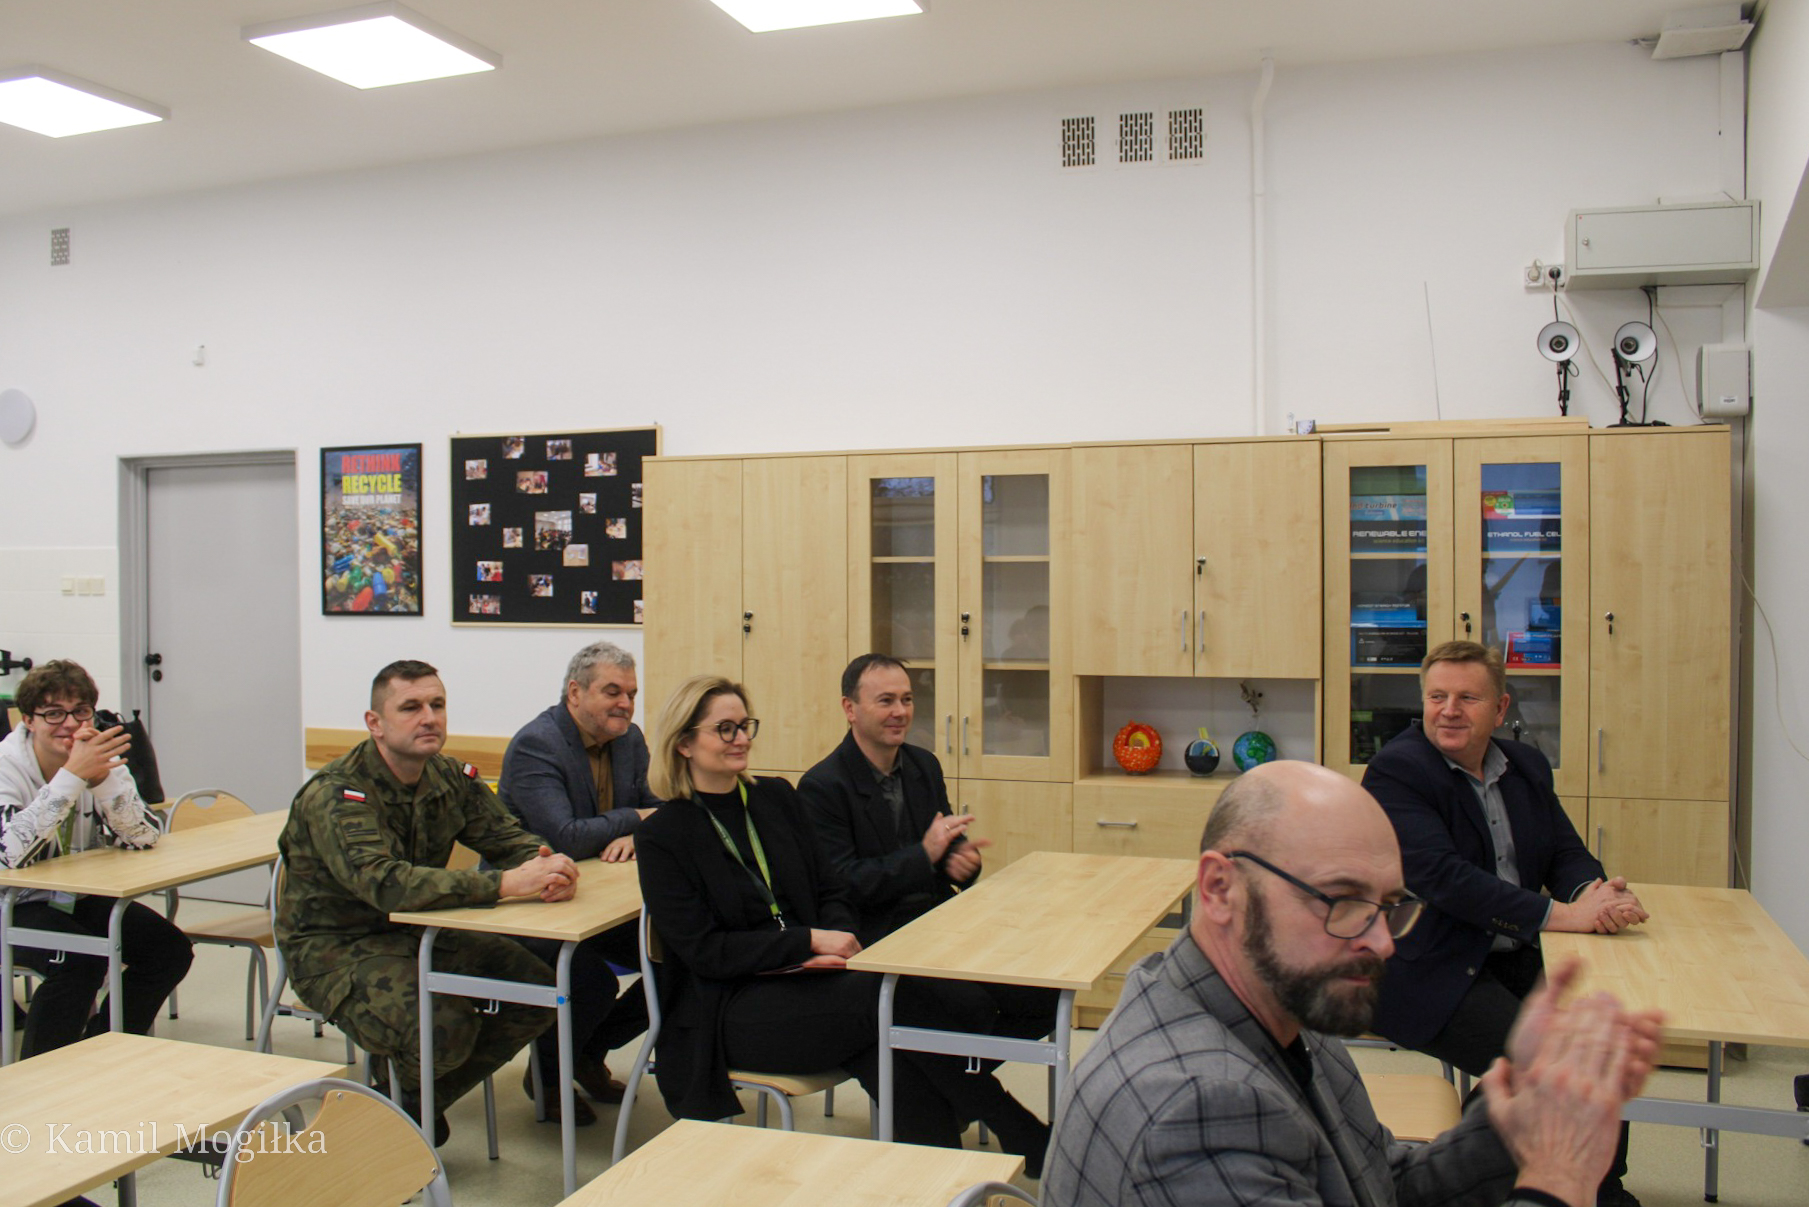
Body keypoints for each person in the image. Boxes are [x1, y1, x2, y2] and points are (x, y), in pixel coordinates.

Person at [1043, 760, 1664, 1207]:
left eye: (1389, 906)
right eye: (1341, 900)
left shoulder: (1285, 1003)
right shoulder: (1196, 1109)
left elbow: (1378, 1185)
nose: (1384, 942)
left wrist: (1518, 1121)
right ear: (1219, 888)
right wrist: (1558, 1183)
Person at [634, 675, 1055, 1169]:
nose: (741, 738)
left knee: (893, 1051)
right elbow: (705, 952)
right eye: (724, 729)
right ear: (684, 743)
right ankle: (1022, 1132)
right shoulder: (662, 836)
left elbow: (830, 887)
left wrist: (840, 938)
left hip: (812, 981)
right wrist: (807, 941)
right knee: (891, 998)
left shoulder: (774, 797)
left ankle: (951, 1181)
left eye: (745, 725)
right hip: (730, 1008)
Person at [1364, 641, 1649, 1206]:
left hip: (1514, 955)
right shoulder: (1397, 771)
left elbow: (1564, 851)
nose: (1449, 711)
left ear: (1500, 709)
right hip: (1430, 968)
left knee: (1596, 1045)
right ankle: (1546, 1186)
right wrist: (1564, 916)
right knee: (1546, 1066)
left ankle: (1600, 1185)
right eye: (1437, 697)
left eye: (1467, 698)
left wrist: (1597, 895)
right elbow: (1446, 880)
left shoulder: (1525, 765)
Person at [277, 659, 580, 1143]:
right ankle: (399, 1115)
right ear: (375, 722)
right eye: (411, 707)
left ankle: (407, 1107)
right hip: (335, 947)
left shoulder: (449, 776)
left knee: (537, 992)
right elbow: (385, 884)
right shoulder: (338, 792)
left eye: (437, 705)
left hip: (416, 931)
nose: (429, 718)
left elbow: (507, 837)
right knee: (445, 1027)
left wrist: (547, 867)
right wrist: (504, 884)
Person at [798, 653, 1056, 1154]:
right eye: (885, 701)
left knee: (1042, 997)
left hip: (939, 924)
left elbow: (943, 851)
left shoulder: (923, 766)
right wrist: (925, 855)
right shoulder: (822, 787)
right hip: (877, 937)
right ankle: (1014, 1126)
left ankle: (949, 1084)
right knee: (962, 1006)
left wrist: (961, 862)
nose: (900, 712)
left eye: (907, 699)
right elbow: (843, 883)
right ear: (850, 709)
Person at [499, 640, 662, 1124]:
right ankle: (547, 1076)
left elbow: (661, 810)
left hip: (595, 898)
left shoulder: (629, 739)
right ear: (575, 692)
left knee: (678, 957)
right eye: (613, 692)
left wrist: (636, 832)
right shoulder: (537, 745)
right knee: (589, 980)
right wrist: (633, 818)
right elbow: (565, 836)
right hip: (530, 905)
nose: (626, 704)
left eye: (631, 694)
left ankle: (588, 1051)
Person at [0, 660, 192, 1058]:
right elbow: (9, 855)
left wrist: (102, 781)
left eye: (81, 711)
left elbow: (144, 835)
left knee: (169, 950)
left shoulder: (99, 758)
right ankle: (40, 1075)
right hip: (11, 902)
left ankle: (100, 1052)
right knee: (79, 960)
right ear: (29, 720)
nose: (70, 724)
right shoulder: (6, 765)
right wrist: (71, 777)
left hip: (71, 896)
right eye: (54, 713)